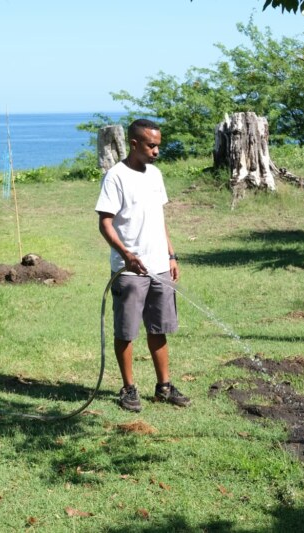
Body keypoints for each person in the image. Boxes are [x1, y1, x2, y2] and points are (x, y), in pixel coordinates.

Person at [95, 118, 190, 412]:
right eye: (151, 145)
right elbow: (105, 223)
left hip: (159, 267)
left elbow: (159, 220)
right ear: (134, 144)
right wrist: (126, 255)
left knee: (158, 328)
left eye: (158, 145)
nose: (156, 151)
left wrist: (171, 256)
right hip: (130, 271)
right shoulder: (115, 177)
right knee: (126, 331)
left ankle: (163, 386)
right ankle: (129, 388)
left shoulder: (155, 175)